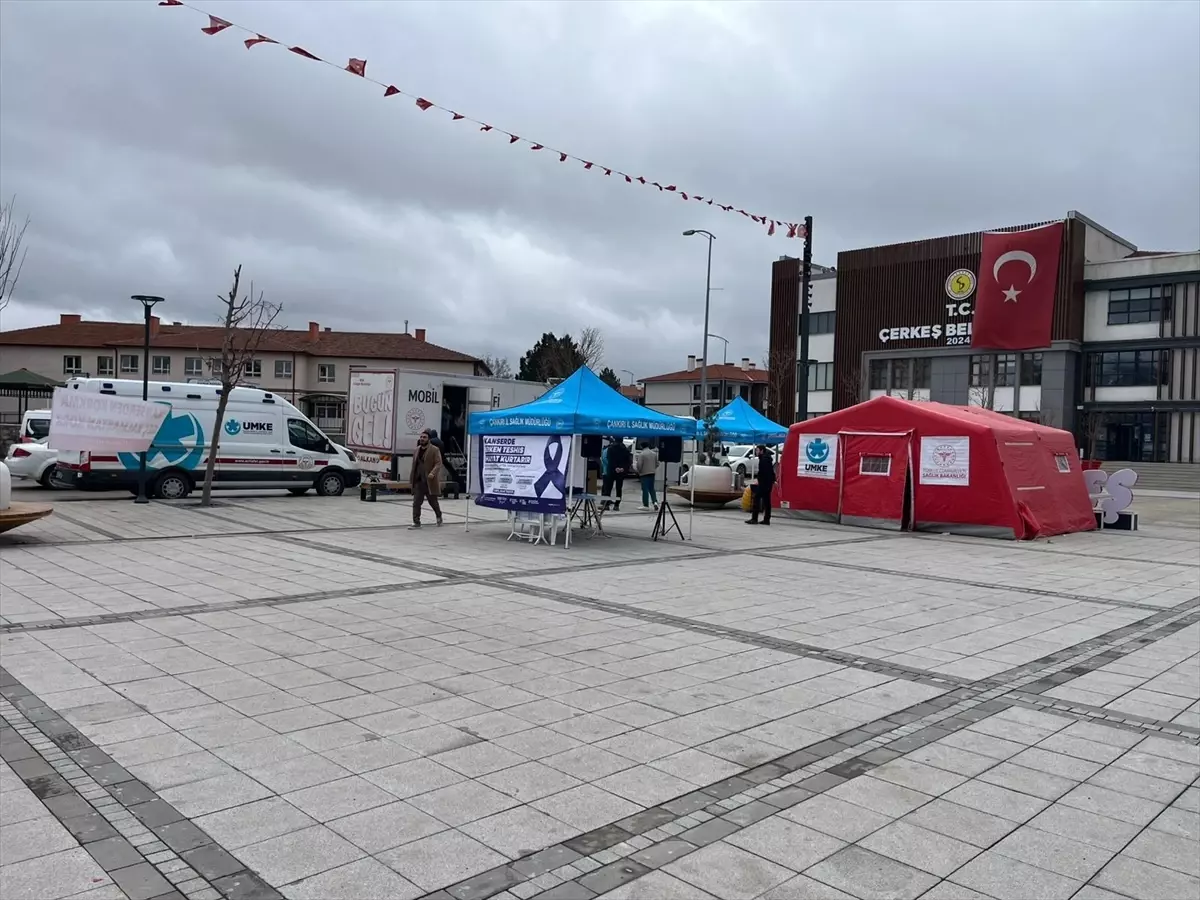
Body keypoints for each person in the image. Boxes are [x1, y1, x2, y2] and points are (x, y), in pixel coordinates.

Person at [408, 430, 443, 528]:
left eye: (424, 437)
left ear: (429, 439)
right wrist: (412, 478)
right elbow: (414, 465)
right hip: (418, 480)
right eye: (421, 437)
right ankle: (416, 522)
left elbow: (438, 463)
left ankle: (439, 516)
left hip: (429, 481)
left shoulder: (434, 450)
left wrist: (433, 473)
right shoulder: (417, 450)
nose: (422, 439)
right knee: (416, 502)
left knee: (433, 502)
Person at [746, 445, 775, 525]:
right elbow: (770, 471)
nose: (756, 452)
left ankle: (754, 518)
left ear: (761, 451)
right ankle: (766, 519)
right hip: (768, 483)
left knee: (756, 498)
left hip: (764, 483)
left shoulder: (764, 459)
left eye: (757, 450)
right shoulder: (767, 458)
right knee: (767, 501)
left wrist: (760, 481)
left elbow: (763, 472)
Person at [602, 436, 631, 511]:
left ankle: (606, 505)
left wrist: (615, 467)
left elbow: (610, 460)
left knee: (608, 488)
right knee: (619, 489)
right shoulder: (626, 450)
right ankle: (617, 505)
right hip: (621, 472)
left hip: (611, 470)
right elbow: (628, 461)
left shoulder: (610, 449)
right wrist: (623, 468)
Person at [636, 441, 660, 511]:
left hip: (644, 474)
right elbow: (657, 464)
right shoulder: (654, 454)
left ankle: (645, 505)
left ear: (642, 447)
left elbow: (639, 465)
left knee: (645, 489)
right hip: (652, 473)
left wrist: (639, 471)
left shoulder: (642, 454)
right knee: (652, 489)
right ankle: (655, 502)